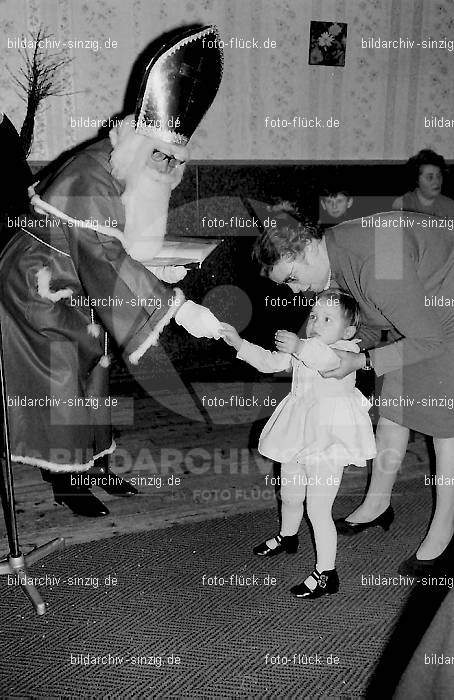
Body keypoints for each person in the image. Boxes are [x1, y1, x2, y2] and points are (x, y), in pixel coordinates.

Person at [0, 25, 224, 517]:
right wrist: (179, 308)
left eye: (175, 160)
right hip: (39, 285)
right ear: (142, 145)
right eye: (161, 156)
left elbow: (122, 244)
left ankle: (94, 461)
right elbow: (104, 254)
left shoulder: (129, 165)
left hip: (80, 279)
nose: (168, 168)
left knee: (96, 368)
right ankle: (64, 476)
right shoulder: (89, 175)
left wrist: (160, 266)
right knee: (61, 375)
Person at [251, 213, 454, 577]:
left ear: (308, 247)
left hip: (447, 308)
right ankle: (377, 504)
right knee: (394, 406)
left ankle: (445, 530)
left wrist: (361, 360)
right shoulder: (337, 254)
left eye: (293, 278)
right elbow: (375, 318)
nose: (295, 292)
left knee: (445, 426)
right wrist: (348, 350)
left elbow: (428, 339)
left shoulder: (371, 264)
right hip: (424, 304)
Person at [220, 290, 376, 599]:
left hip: (328, 440)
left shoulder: (344, 351)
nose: (316, 322)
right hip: (297, 433)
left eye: (327, 319)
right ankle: (287, 536)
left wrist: (300, 345)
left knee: (318, 509)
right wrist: (239, 344)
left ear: (348, 331)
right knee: (290, 495)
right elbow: (270, 362)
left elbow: (323, 359)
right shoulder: (305, 348)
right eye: (314, 316)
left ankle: (326, 574)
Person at [392, 149, 454, 219]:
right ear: (417, 179)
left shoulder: (450, 206)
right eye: (430, 177)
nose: (436, 181)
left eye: (439, 176)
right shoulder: (402, 204)